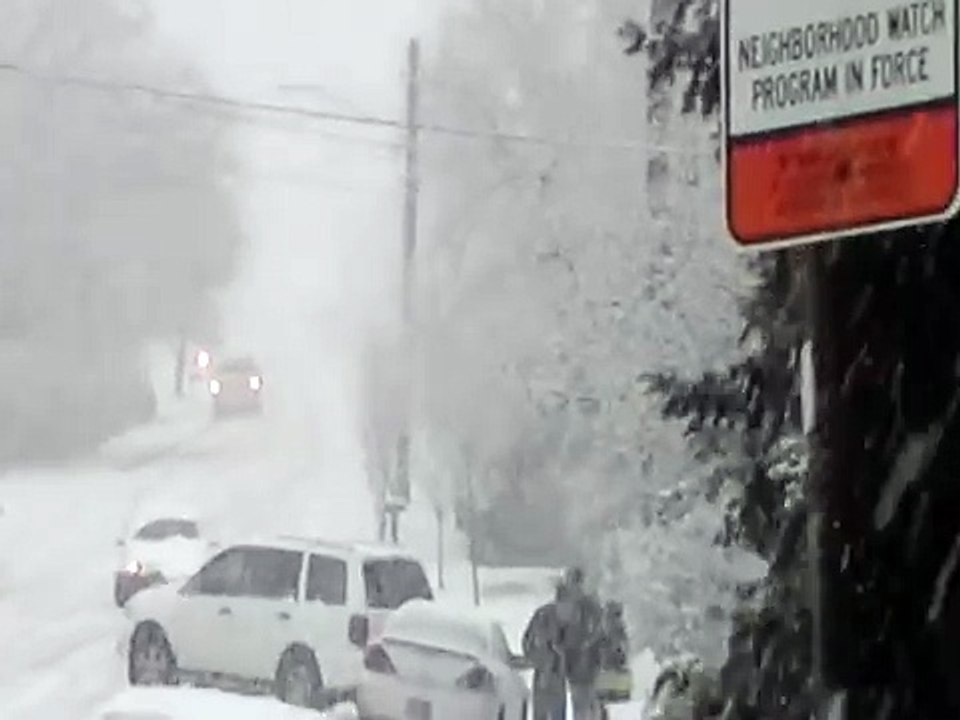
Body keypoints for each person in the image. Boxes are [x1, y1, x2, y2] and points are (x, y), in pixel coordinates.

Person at [556, 566, 604, 720]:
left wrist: (590, 643)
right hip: (574, 661)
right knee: (580, 700)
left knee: (588, 699)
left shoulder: (590, 606)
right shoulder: (564, 604)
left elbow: (599, 630)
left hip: (588, 661)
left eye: (576, 582)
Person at [523, 582, 568, 720]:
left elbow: (527, 641)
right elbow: (528, 641)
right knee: (550, 711)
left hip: (550, 671)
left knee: (548, 711)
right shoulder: (547, 614)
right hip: (549, 671)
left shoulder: (544, 613)